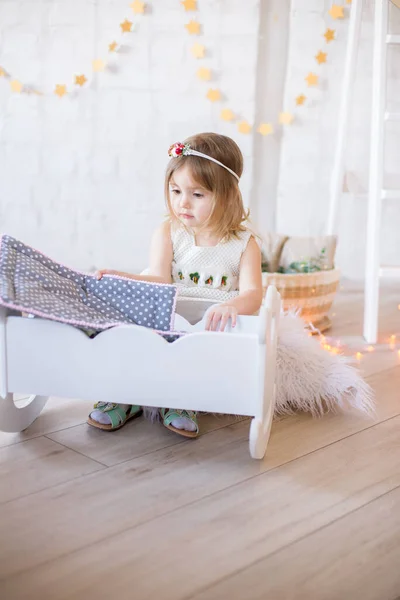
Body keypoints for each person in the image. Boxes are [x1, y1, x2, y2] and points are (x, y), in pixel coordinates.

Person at [87, 132, 263, 437]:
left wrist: (231, 304)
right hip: (169, 313)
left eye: (198, 195)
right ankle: (125, 395)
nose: (183, 203)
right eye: (176, 190)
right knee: (135, 337)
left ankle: (180, 400)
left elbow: (253, 293)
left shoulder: (244, 244)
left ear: (227, 194)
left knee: (192, 355)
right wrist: (124, 277)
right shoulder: (170, 232)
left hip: (210, 323)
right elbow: (158, 279)